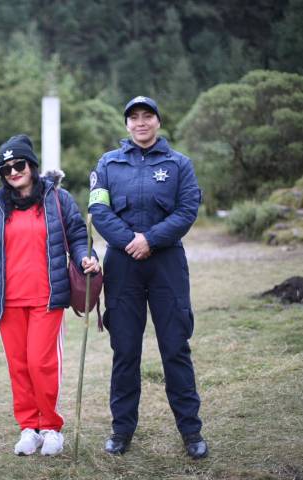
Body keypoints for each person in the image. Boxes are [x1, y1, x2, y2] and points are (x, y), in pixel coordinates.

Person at [88, 96, 208, 459]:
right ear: (127, 124)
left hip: (166, 263)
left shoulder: (179, 164)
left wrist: (151, 240)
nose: (141, 123)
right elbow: (98, 209)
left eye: (147, 116)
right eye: (134, 117)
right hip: (122, 264)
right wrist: (131, 241)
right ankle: (121, 430)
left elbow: (187, 210)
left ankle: (191, 431)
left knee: (175, 347)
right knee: (125, 351)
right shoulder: (108, 164)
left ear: (158, 121)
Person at [0, 134, 100, 456]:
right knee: (19, 366)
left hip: (47, 297)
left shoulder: (57, 198)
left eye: (19, 165)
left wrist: (86, 256)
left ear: (32, 164)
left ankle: (51, 428)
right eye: (6, 168)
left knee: (41, 364)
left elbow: (77, 235)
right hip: (9, 300)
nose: (13, 172)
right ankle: (29, 427)